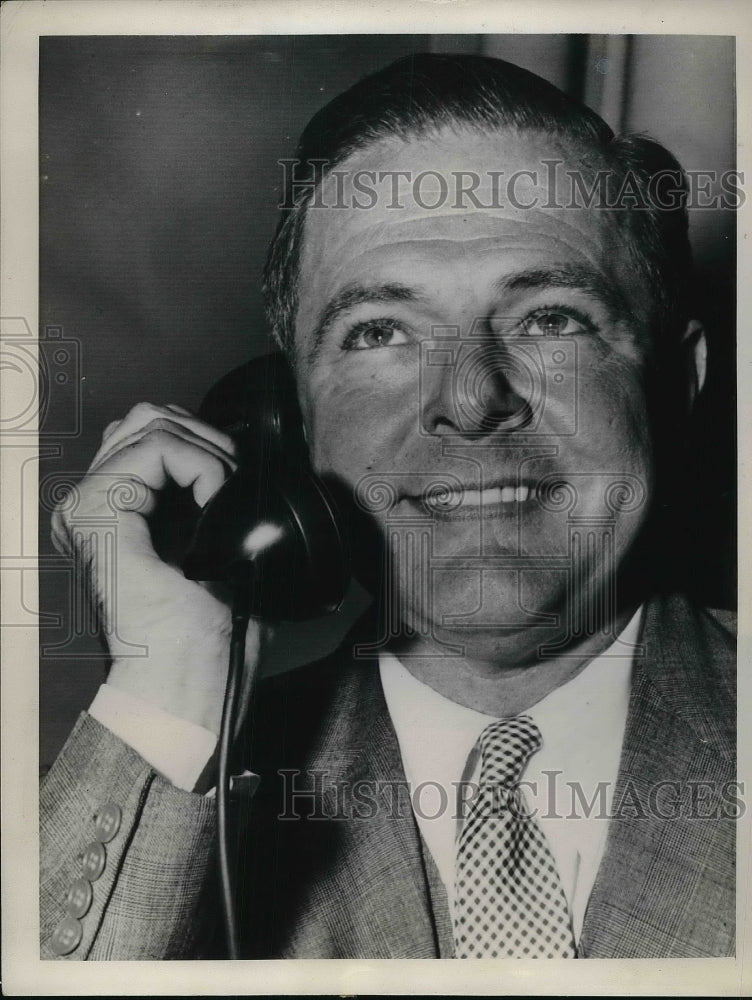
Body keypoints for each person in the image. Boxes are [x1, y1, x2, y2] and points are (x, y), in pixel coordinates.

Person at [40, 53, 735, 960]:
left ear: (679, 383)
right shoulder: (163, 776)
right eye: (381, 333)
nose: (472, 401)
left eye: (550, 318)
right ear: (289, 424)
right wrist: (165, 694)